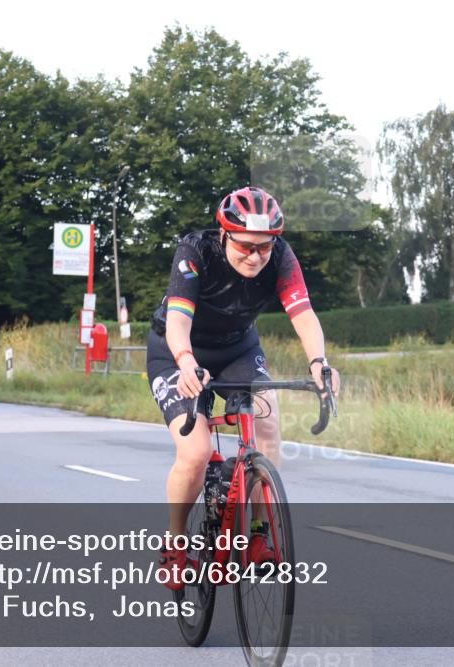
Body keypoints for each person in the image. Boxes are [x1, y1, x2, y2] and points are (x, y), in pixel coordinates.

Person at [146, 186, 340, 590]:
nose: (255, 256)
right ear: (224, 234)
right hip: (178, 350)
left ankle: (257, 534)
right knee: (196, 451)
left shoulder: (282, 257)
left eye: (264, 248)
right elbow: (180, 320)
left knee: (267, 422)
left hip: (238, 348)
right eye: (246, 247)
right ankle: (176, 542)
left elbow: (303, 314)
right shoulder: (195, 251)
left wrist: (319, 364)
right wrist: (185, 362)